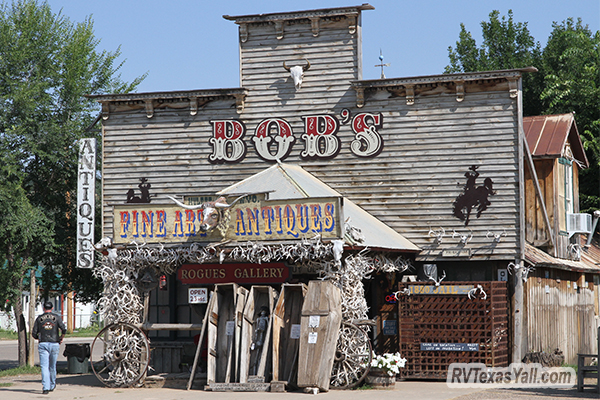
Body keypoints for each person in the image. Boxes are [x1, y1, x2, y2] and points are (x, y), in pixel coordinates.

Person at [32, 301, 66, 394]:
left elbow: (34, 333)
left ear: (43, 308)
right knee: (52, 365)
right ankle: (52, 384)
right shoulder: (57, 317)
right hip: (54, 343)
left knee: (44, 366)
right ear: (52, 308)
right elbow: (63, 328)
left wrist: (39, 338)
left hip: (43, 343)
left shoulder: (39, 319)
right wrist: (61, 338)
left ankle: (45, 387)